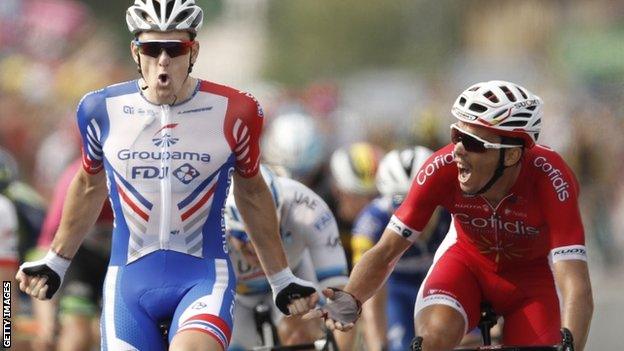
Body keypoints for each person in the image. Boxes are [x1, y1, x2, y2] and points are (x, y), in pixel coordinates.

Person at [15, 1, 317, 350]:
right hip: (128, 283)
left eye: (174, 49)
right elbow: (87, 186)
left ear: (194, 52)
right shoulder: (99, 109)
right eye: (151, 48)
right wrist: (55, 261)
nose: (162, 62)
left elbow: (252, 193)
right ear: (135, 51)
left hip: (202, 277)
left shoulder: (236, 111)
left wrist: (281, 278)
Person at [312, 81, 593, 351]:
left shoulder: (552, 178)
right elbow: (386, 251)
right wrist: (352, 297)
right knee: (433, 337)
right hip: (465, 266)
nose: (458, 149)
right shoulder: (440, 168)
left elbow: (574, 280)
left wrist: (570, 343)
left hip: (530, 280)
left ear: (510, 156)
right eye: (456, 135)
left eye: (472, 142)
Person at [225, 166, 350, 350]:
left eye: (264, 233)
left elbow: (340, 297)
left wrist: (319, 306)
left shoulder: (306, 208)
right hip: (236, 295)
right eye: (244, 237)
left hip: (296, 274)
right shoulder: (207, 220)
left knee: (302, 333)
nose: (255, 246)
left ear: (280, 215)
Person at [351, 146, 451, 351]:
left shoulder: (453, 213)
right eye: (401, 203)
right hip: (396, 290)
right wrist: (377, 344)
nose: (415, 210)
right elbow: (370, 293)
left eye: (425, 202)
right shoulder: (371, 221)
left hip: (444, 284)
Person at [32, 159, 113, 351]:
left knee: (104, 333)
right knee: (77, 333)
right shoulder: (73, 179)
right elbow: (46, 249)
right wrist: (46, 321)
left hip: (118, 258)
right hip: (81, 259)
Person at [328, 142, 384, 270]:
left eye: (373, 195)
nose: (367, 203)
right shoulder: (318, 211)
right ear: (338, 190)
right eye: (358, 195)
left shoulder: (383, 216)